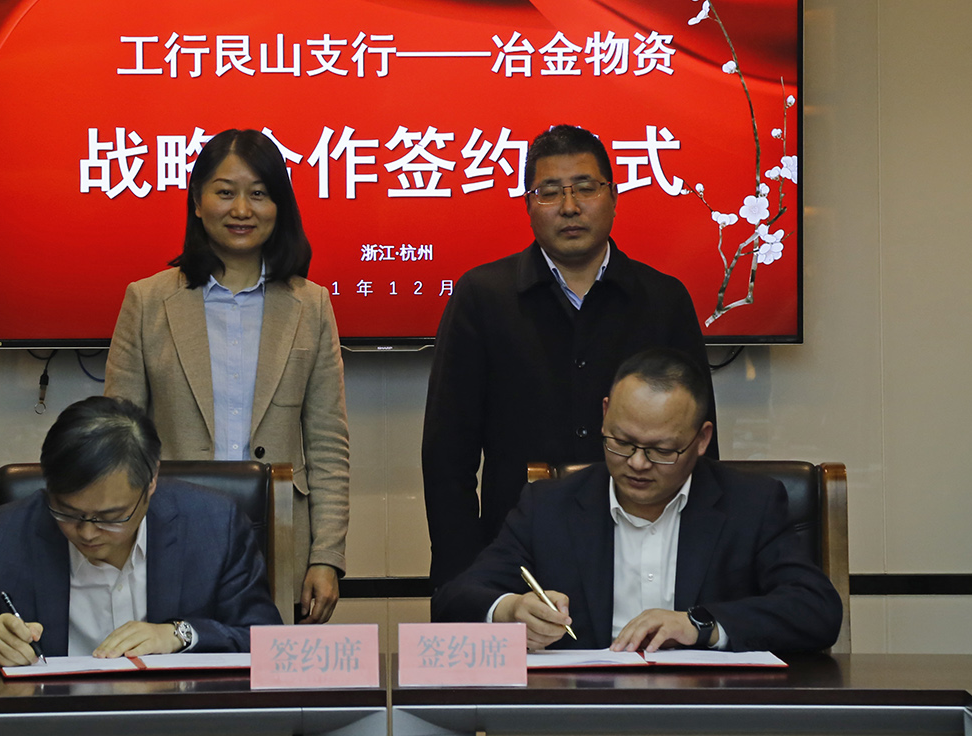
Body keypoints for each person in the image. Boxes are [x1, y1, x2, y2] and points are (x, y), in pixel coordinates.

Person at [422, 124, 715, 589]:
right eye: (550, 191)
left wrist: (703, 564)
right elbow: (447, 456)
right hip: (519, 554)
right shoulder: (482, 297)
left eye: (585, 187)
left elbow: (700, 446)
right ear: (528, 205)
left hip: (648, 549)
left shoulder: (664, 299)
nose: (570, 206)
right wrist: (465, 581)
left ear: (613, 197)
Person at [431, 348, 841, 654]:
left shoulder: (750, 504)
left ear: (702, 439)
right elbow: (455, 598)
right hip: (583, 717)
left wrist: (699, 625)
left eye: (662, 450)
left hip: (706, 717)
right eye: (621, 442)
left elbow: (817, 610)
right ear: (605, 414)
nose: (638, 464)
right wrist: (510, 610)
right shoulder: (550, 506)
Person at [104, 128, 350, 623]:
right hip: (169, 532)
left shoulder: (311, 305)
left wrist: (326, 557)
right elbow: (118, 439)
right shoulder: (147, 301)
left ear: (279, 206)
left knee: (271, 667)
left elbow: (328, 446)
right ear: (197, 202)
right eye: (225, 192)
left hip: (280, 534)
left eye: (258, 193)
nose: (242, 209)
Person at [0, 396, 280, 669]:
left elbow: (268, 644)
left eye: (111, 516)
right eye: (67, 512)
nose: (87, 533)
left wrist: (180, 635)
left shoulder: (213, 525)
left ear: (151, 481)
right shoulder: (6, 534)